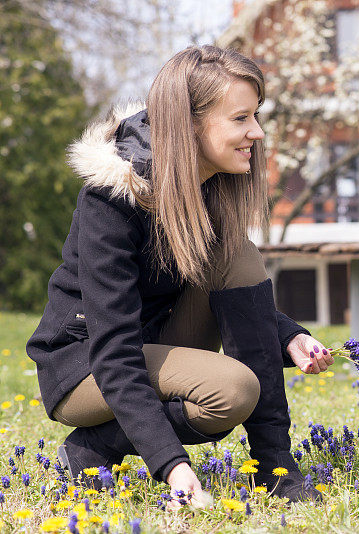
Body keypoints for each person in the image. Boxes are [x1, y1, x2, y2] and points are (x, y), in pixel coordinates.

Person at [26, 45, 333, 504]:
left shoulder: (208, 186)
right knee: (231, 391)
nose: (258, 132)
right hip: (85, 363)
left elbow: (226, 287)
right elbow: (114, 349)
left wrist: (285, 333)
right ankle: (97, 443)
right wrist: (172, 465)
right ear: (189, 124)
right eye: (241, 118)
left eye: (256, 115)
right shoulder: (111, 200)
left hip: (156, 339)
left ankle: (274, 467)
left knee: (237, 253)